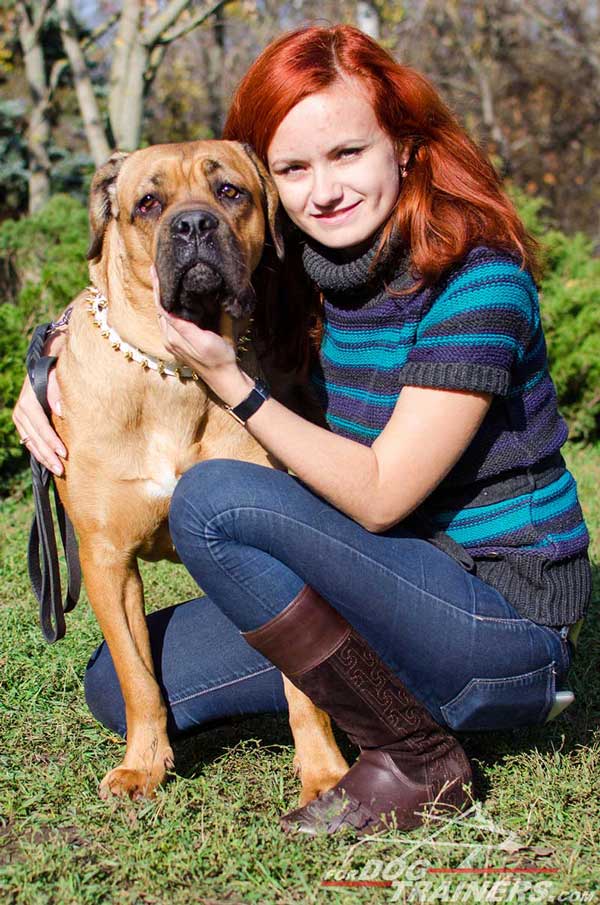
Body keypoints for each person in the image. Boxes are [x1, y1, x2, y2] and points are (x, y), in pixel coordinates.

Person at [13, 24, 590, 836]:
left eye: (347, 154)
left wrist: (229, 385)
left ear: (405, 147)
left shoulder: (481, 285)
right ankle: (378, 695)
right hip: (380, 582)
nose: (323, 189)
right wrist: (46, 360)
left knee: (214, 495)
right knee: (117, 682)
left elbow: (384, 496)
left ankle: (419, 754)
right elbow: (117, 291)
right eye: (293, 168)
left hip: (500, 622)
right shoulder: (308, 281)